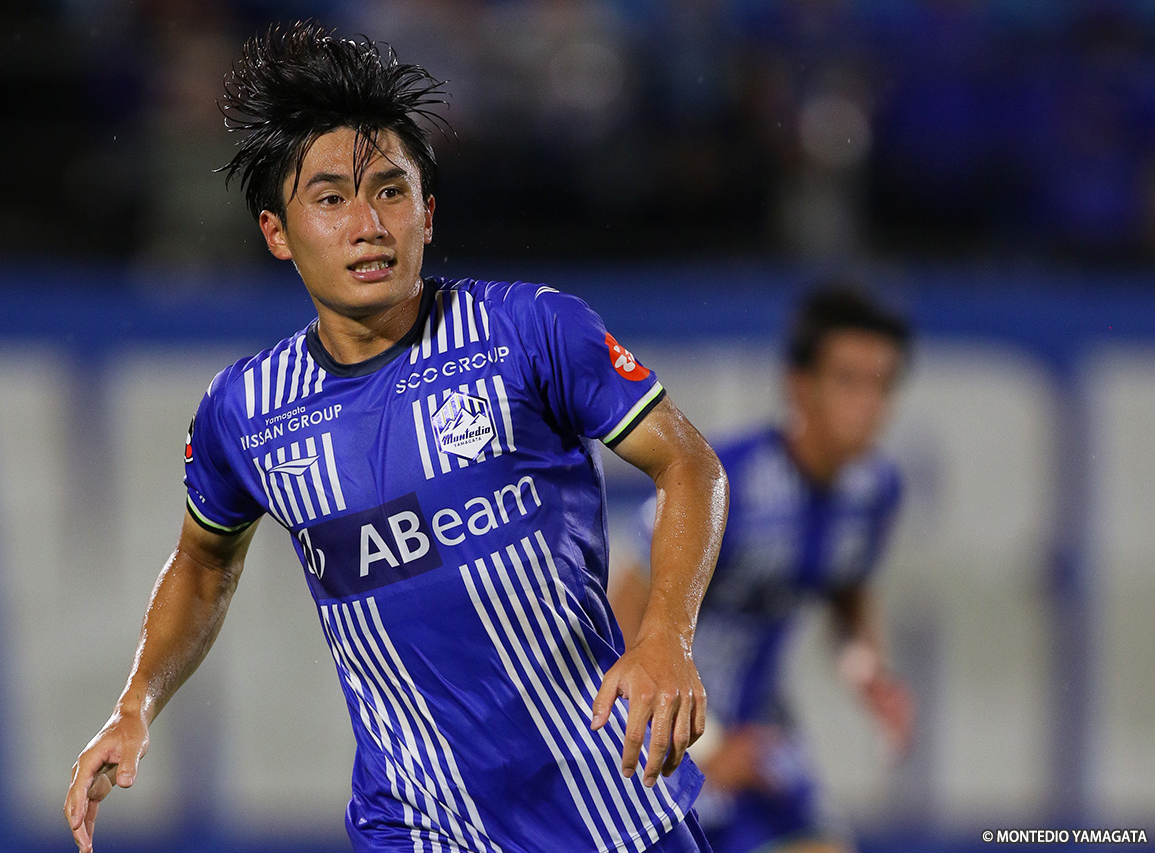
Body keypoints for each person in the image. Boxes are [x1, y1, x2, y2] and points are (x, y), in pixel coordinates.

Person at [64, 21, 728, 853]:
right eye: (331, 199)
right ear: (277, 233)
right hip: (414, 821)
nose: (368, 224)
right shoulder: (244, 411)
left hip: (604, 802)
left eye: (390, 191)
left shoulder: (529, 331)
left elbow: (689, 463)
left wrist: (666, 633)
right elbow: (203, 564)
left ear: (428, 213)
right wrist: (134, 704)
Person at [610, 287, 914, 853]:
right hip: (669, 734)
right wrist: (703, 745)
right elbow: (621, 615)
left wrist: (868, 671)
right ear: (800, 385)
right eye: (848, 381)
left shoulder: (875, 493)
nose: (867, 403)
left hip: (761, 734)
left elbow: (846, 586)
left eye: (882, 384)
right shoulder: (725, 483)